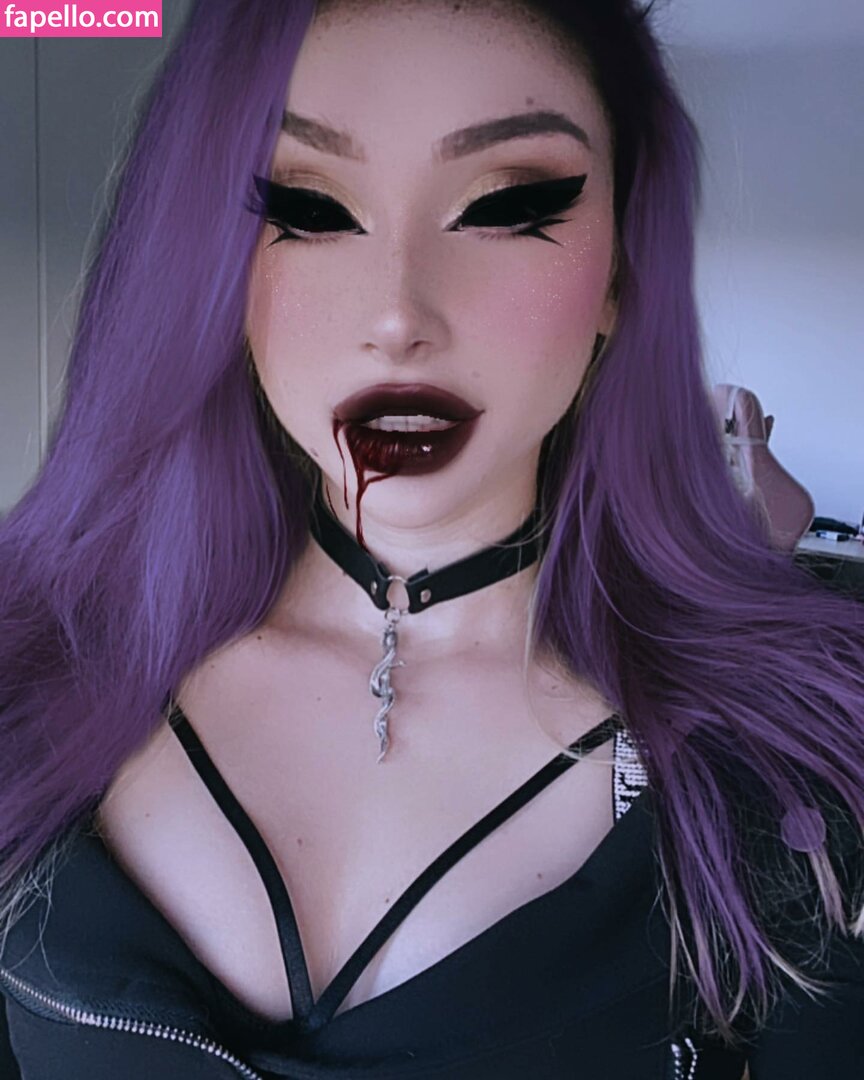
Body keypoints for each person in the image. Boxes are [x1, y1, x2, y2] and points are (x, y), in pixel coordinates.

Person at [0, 0, 863, 1076]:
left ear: (621, 270)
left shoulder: (803, 755)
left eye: (504, 207)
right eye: (310, 207)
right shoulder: (32, 662)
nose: (399, 315)